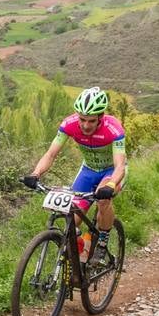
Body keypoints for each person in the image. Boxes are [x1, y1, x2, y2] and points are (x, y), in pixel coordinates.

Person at [20, 86, 127, 260]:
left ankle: (102, 241)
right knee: (71, 220)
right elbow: (51, 154)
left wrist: (111, 184)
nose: (85, 125)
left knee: (103, 201)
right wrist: (35, 174)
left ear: (101, 117)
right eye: (82, 119)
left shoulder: (113, 128)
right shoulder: (69, 124)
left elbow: (120, 165)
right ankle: (80, 254)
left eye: (91, 121)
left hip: (111, 171)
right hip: (88, 170)